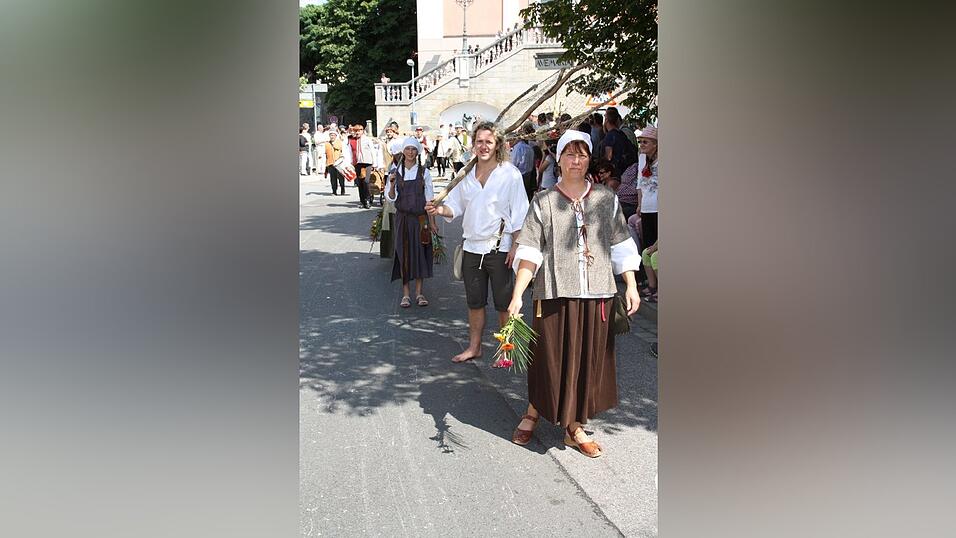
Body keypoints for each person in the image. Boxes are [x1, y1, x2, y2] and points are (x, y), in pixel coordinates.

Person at [507, 129, 642, 458]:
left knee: (586, 361)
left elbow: (622, 244)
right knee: (549, 359)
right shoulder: (544, 202)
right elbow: (529, 251)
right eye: (570, 153)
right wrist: (516, 296)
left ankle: (574, 426)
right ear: (560, 157)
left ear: (588, 158)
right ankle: (534, 410)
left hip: (596, 293)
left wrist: (632, 284)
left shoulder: (605, 200)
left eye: (582, 154)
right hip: (554, 292)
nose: (576, 160)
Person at [425, 121, 530, 363]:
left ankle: (507, 350)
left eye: (488, 142)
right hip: (472, 248)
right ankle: (475, 347)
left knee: (504, 305)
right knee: (474, 303)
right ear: (473, 144)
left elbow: (520, 215)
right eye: (479, 142)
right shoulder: (465, 175)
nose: (483, 146)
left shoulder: (509, 174)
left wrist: (516, 247)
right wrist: (440, 210)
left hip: (500, 248)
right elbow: (456, 207)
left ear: (498, 145)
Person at [385, 137, 438, 307]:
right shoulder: (395, 172)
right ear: (403, 151)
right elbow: (391, 198)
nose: (410, 152)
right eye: (407, 149)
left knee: (420, 253)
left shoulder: (424, 173)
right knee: (404, 254)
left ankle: (419, 293)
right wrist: (392, 185)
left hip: (421, 219)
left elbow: (430, 199)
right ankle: (406, 294)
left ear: (417, 152)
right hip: (403, 219)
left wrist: (433, 222)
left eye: (413, 149)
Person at [341, 123, 383, 209]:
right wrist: (349, 163)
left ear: (362, 131)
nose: (357, 133)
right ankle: (362, 200)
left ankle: (367, 199)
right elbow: (348, 151)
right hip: (357, 163)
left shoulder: (367, 139)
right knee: (359, 182)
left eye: (359, 131)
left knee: (366, 181)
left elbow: (372, 151)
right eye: (356, 131)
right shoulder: (351, 140)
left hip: (367, 162)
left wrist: (375, 163)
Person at [636, 125, 658, 262]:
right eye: (640, 141)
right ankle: (649, 280)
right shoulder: (642, 158)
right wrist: (639, 204)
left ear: (655, 144)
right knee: (648, 244)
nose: (642, 145)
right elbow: (639, 183)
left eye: (645, 142)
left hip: (658, 208)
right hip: (646, 207)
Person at [602, 108, 638, 177]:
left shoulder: (610, 136)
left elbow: (608, 157)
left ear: (606, 120)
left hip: (616, 173)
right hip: (627, 171)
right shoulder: (621, 133)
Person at [510, 123, 537, 200]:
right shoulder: (529, 148)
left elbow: (513, 164)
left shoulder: (518, 148)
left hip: (520, 177)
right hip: (528, 176)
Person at [325, 129, 345, 195]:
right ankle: (334, 191)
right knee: (333, 178)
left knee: (340, 177)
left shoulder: (340, 142)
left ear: (336, 136)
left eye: (333, 135)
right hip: (330, 163)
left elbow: (343, 151)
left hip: (338, 163)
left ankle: (342, 189)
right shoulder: (327, 143)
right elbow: (325, 153)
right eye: (331, 135)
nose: (332, 136)